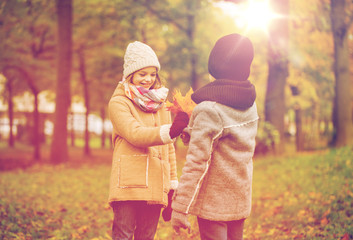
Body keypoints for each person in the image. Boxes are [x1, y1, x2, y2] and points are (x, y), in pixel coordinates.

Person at [171, 33, 259, 240]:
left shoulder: (210, 110)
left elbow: (197, 162)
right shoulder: (250, 104)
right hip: (239, 198)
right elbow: (229, 144)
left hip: (214, 205)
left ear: (216, 67)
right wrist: (193, 133)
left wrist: (180, 207)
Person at [108, 41, 189, 240]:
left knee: (146, 236)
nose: (148, 79)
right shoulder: (119, 102)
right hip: (128, 183)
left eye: (152, 74)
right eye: (142, 74)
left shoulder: (160, 104)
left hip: (155, 181)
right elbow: (135, 134)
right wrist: (169, 131)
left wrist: (172, 185)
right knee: (124, 234)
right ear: (130, 74)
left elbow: (168, 147)